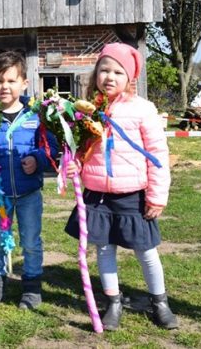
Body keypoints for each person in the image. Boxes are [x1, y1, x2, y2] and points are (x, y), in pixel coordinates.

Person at [64, 43, 178, 331]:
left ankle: (159, 301)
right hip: (98, 195)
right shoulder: (86, 110)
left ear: (130, 78)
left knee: (146, 250)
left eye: (117, 71)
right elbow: (80, 150)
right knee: (104, 249)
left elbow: (158, 153)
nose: (109, 77)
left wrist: (156, 195)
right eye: (104, 70)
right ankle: (113, 302)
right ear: (95, 74)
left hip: (133, 195)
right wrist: (75, 164)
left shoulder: (143, 110)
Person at [0, 51, 57, 310]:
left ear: (24, 83)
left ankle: (31, 287)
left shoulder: (36, 116)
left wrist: (38, 159)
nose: (4, 86)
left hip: (29, 195)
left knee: (31, 241)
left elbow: (50, 145)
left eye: (11, 80)